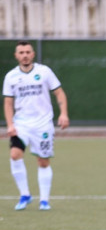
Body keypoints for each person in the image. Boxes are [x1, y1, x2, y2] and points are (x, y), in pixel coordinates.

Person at [3, 40, 69, 211]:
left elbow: (59, 92)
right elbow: (8, 103)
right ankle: (25, 194)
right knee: (15, 155)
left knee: (43, 161)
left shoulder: (44, 72)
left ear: (32, 54)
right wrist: (10, 124)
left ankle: (44, 200)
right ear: (16, 56)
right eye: (21, 52)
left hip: (43, 124)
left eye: (27, 52)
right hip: (21, 124)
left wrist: (63, 113)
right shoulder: (11, 76)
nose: (25, 55)